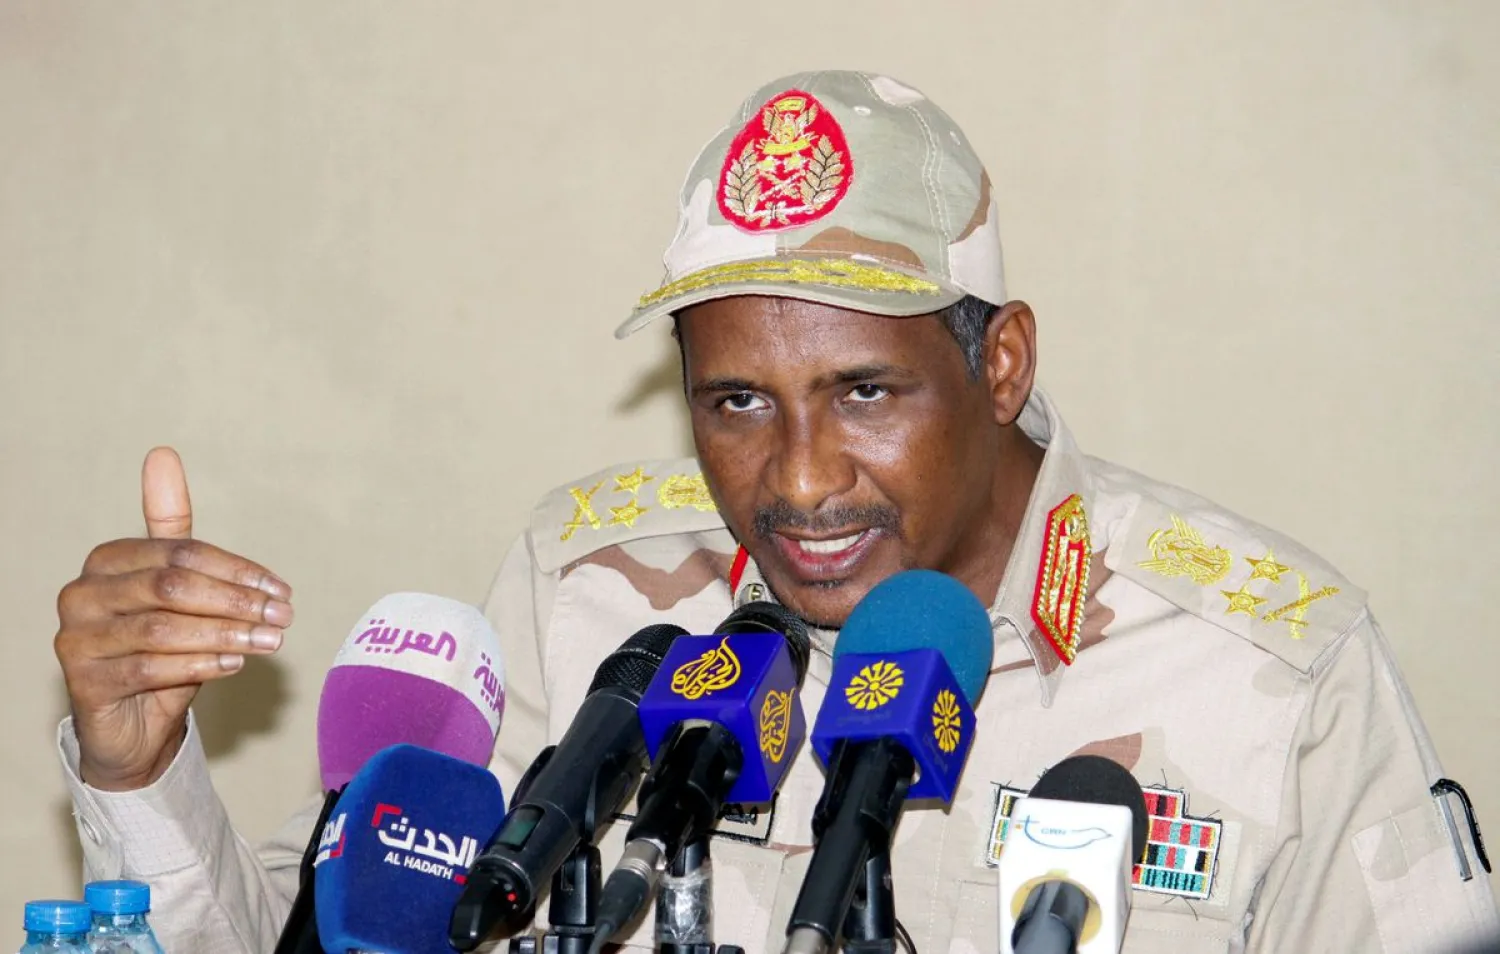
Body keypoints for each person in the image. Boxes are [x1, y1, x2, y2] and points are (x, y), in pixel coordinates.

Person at [51, 70, 1498, 954]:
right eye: (737, 401)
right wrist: (140, 764)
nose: (797, 482)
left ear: (1000, 363)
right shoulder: (598, 599)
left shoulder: (1270, 669)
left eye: (866, 390)